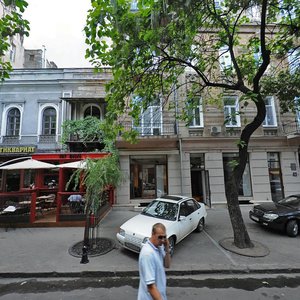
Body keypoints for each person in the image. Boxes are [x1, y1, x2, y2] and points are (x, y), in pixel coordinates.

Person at [137, 223, 171, 300]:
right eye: (160, 237)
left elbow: (167, 265)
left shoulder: (159, 247)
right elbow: (151, 287)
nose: (162, 240)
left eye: (164, 237)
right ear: (153, 234)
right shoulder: (148, 254)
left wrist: (167, 248)